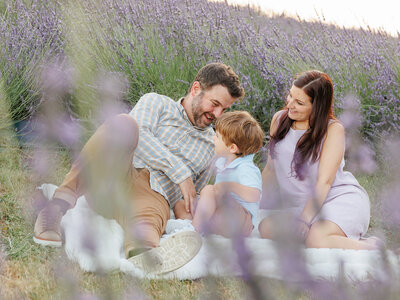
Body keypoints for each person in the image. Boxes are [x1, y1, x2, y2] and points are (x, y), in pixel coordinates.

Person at [33, 62, 245, 273]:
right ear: (196, 89)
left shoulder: (211, 145)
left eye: (224, 109)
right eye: (214, 103)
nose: (217, 114)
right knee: (124, 124)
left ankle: (141, 254)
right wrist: (179, 172)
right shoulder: (157, 103)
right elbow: (140, 135)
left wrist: (193, 218)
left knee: (147, 229)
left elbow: (190, 194)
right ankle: (55, 209)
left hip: (155, 197)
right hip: (118, 174)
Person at [258, 70, 380, 250]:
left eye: (299, 102)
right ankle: (329, 234)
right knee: (265, 227)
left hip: (337, 198)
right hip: (300, 206)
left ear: (317, 106)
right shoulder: (279, 120)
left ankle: (374, 246)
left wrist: (304, 220)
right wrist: (250, 204)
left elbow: (325, 181)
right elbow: (270, 170)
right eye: (290, 95)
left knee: (315, 240)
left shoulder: (333, 130)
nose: (289, 104)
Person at [170, 111, 264, 237]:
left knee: (209, 190)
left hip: (240, 221)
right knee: (181, 204)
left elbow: (254, 195)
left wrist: (230, 186)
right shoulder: (223, 163)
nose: (213, 138)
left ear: (232, 148)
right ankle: (191, 224)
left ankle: (194, 229)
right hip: (222, 218)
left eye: (218, 136)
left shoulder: (246, 167)